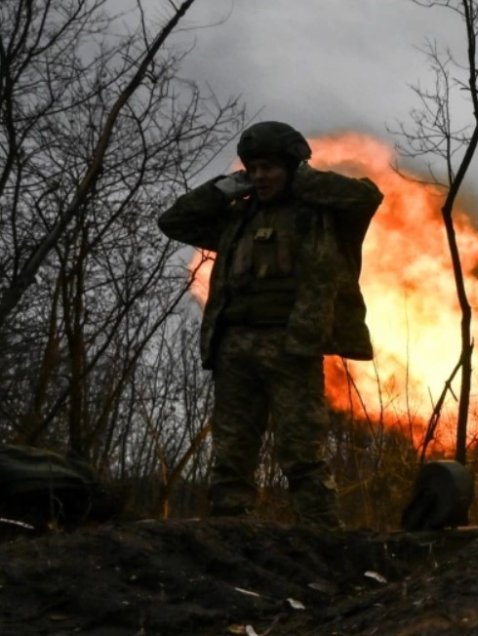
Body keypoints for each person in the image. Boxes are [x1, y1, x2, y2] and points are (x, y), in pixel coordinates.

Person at [158, 121, 383, 528]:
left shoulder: (320, 216)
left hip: (292, 347)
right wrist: (223, 189)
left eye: (270, 168)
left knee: (301, 451)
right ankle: (233, 533)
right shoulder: (237, 218)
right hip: (235, 347)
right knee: (231, 453)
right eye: (254, 168)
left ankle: (323, 539)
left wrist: (303, 180)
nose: (260, 176)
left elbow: (365, 196)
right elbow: (173, 222)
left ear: (291, 167)